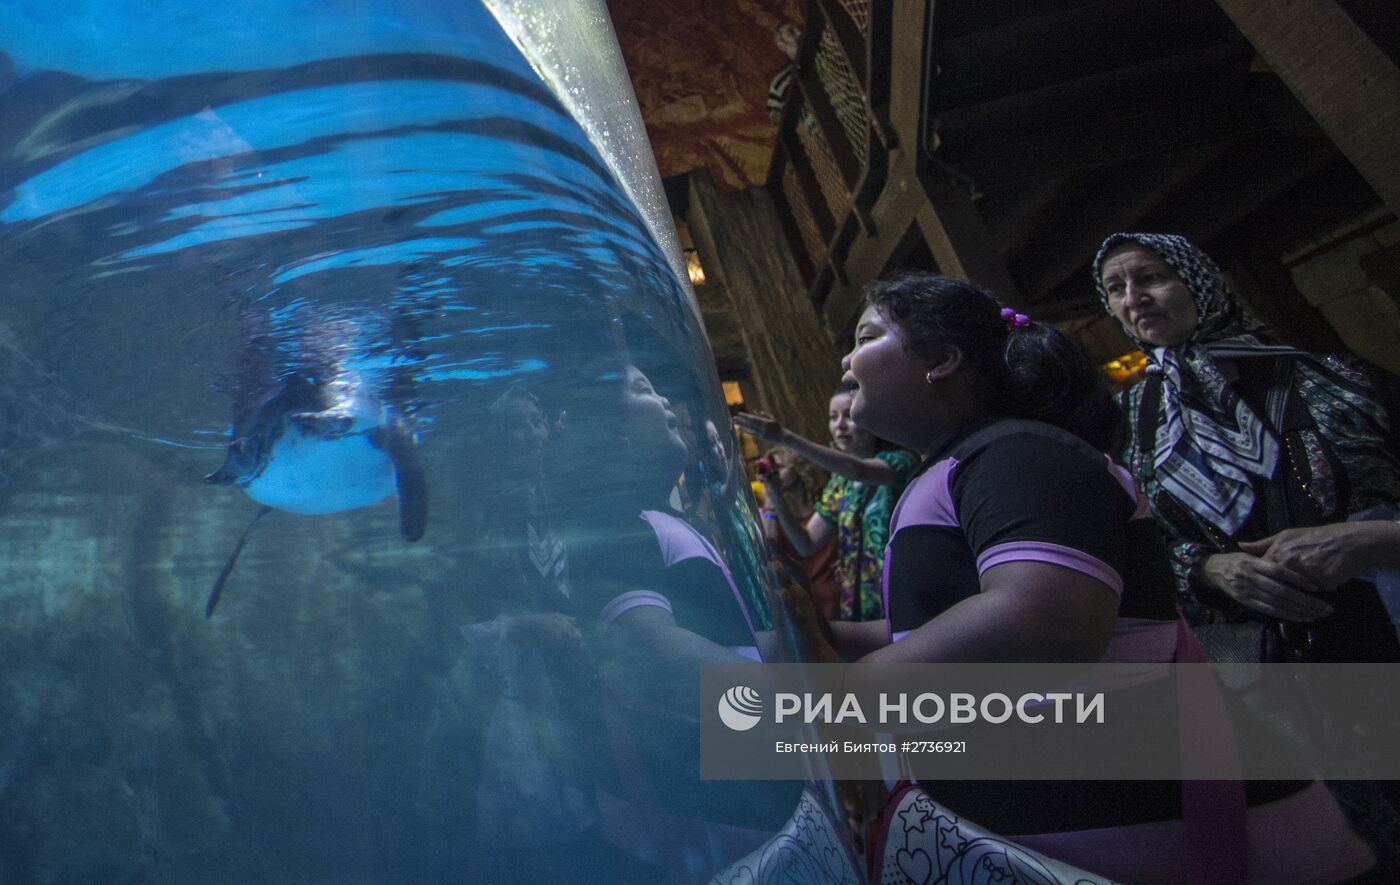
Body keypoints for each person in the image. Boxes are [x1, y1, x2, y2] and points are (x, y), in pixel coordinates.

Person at [779, 272, 1374, 883]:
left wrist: (845, 692)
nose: (847, 362)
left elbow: (1046, 616)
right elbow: (934, 627)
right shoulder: (966, 463)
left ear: (942, 359)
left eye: (868, 336)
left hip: (1151, 831)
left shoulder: (1015, 452)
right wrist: (828, 634)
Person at [1093, 232, 1400, 663]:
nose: (1134, 298)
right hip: (1267, 680)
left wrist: (1372, 539)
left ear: (1200, 281)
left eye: (1151, 277)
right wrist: (1208, 570)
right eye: (1115, 288)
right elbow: (1128, 545)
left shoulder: (1335, 382)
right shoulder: (1127, 420)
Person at [734, 392, 915, 621]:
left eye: (849, 416)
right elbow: (807, 544)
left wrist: (786, 437)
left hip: (902, 598)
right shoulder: (840, 484)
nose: (840, 425)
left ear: (871, 418)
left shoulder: (900, 462)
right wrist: (775, 494)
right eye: (832, 417)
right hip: (859, 610)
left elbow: (857, 469)